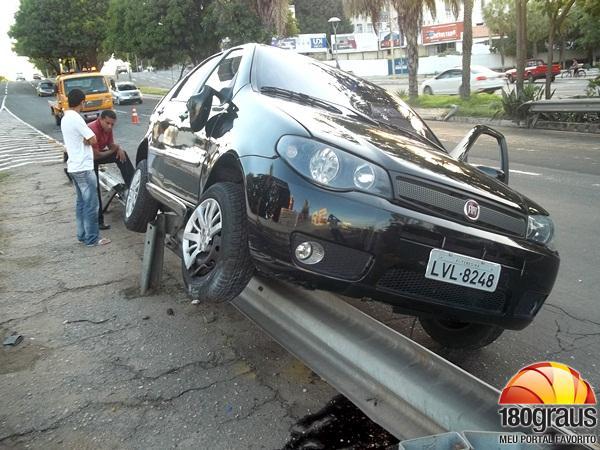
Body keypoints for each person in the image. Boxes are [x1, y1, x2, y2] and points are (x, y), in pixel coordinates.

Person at [61, 89, 111, 246]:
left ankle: (82, 235)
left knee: (81, 203)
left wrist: (85, 139)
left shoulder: (65, 118)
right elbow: (93, 139)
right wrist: (87, 140)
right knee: (91, 205)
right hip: (83, 166)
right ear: (82, 102)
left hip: (74, 167)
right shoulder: (76, 118)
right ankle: (92, 239)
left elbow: (85, 139)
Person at [88, 110, 135, 229]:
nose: (110, 127)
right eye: (107, 123)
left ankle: (133, 185)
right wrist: (113, 150)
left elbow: (110, 145)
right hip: (88, 159)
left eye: (112, 124)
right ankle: (98, 221)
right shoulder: (92, 129)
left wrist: (118, 148)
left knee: (122, 155)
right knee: (95, 189)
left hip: (98, 155)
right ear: (100, 120)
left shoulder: (108, 129)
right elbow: (96, 156)